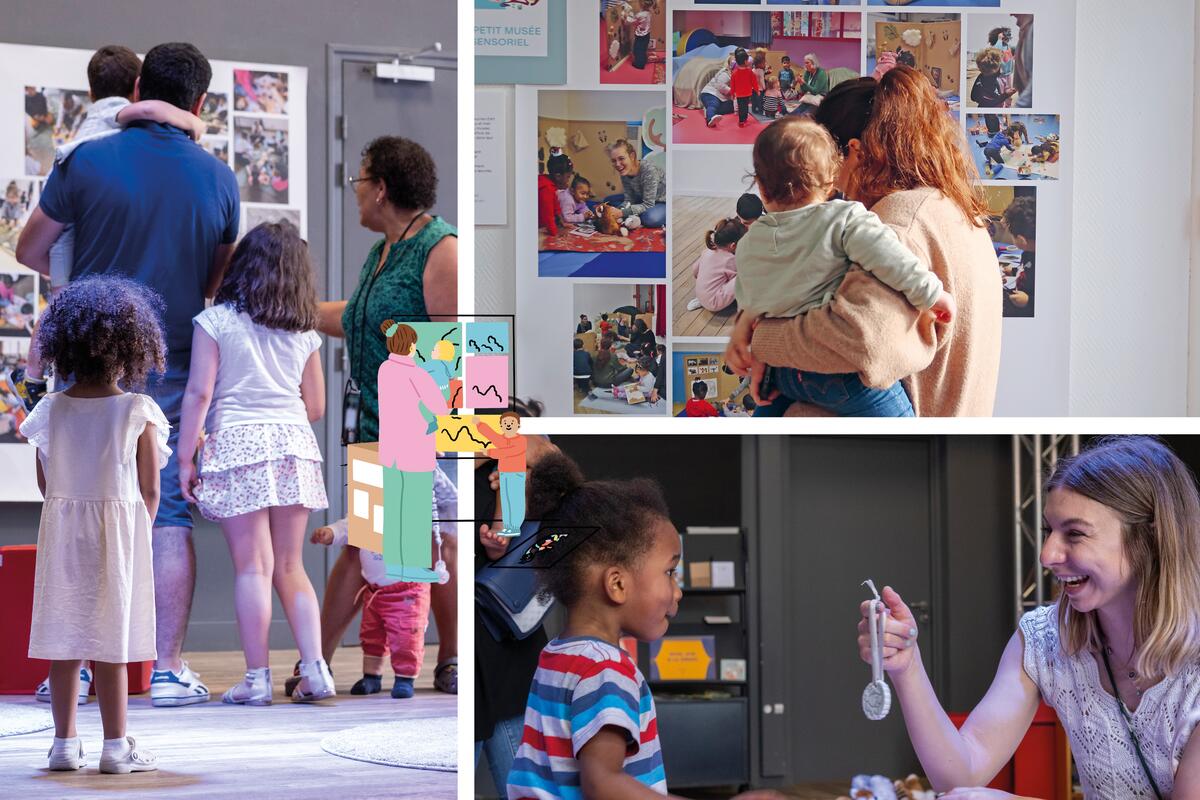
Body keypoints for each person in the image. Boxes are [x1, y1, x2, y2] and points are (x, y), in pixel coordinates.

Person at [17, 41, 240, 707]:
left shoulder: (86, 160)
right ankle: (167, 670)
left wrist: (88, 274)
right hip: (172, 359)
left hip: (87, 359)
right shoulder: (219, 178)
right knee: (166, 509)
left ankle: (78, 668)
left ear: (138, 87)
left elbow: (30, 249)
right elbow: (217, 283)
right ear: (200, 101)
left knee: (75, 502)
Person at [858, 437, 1200, 798]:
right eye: (1049, 531)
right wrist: (907, 665)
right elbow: (960, 775)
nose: (1047, 555)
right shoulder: (1044, 637)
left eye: (1075, 534)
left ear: (1150, 539)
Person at [726, 66, 1002, 417]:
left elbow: (863, 341)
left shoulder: (899, 222)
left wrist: (761, 338)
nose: (829, 188)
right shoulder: (952, 211)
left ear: (853, 152)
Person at [506, 451, 781, 800]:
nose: (677, 591)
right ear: (617, 584)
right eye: (670, 572)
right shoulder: (606, 668)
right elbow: (602, 784)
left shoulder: (558, 654)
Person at [314, 134, 458, 695]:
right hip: (374, 424)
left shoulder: (439, 249)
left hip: (418, 429)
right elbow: (358, 317)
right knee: (367, 545)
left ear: (380, 188)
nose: (354, 191)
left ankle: (450, 660)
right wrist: (290, 309)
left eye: (359, 180)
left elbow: (455, 352)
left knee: (434, 546)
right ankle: (317, 662)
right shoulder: (383, 252)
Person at [176, 222, 333, 704]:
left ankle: (257, 680)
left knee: (252, 569)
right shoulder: (305, 331)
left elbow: (199, 393)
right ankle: (316, 670)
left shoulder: (216, 321)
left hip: (237, 443)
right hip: (293, 444)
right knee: (291, 565)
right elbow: (315, 406)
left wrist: (186, 457)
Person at [21, 277, 169, 773]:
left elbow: (47, 484)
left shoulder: (50, 409)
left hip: (63, 537)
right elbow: (150, 490)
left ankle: (64, 744)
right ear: (131, 350)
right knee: (112, 641)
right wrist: (137, 532)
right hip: (118, 540)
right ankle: (115, 747)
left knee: (63, 637)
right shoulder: (137, 410)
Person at [9, 44, 208, 414]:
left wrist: (81, 274)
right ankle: (32, 376)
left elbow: (28, 252)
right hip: (160, 358)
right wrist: (194, 124)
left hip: (69, 237)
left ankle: (32, 377)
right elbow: (154, 111)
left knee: (62, 301)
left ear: (90, 90)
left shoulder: (90, 131)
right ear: (137, 88)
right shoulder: (121, 117)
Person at [735, 116, 954, 417]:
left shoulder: (748, 244)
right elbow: (890, 257)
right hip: (838, 375)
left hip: (782, 373)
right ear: (829, 183)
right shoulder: (844, 218)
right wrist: (932, 294)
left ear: (761, 187)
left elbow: (750, 302)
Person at [310, 513, 437, 699]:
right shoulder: (367, 513)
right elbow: (348, 527)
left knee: (407, 636)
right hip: (375, 590)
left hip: (408, 592)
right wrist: (331, 532)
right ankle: (372, 676)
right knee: (371, 635)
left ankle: (405, 678)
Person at [478, 412, 528, 537]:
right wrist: (480, 425)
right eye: (505, 423)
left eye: (511, 423)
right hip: (504, 473)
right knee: (507, 501)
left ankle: (512, 527)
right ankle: (508, 527)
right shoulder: (504, 439)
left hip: (516, 474)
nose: (508, 425)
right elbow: (493, 436)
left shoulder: (521, 440)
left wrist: (489, 452)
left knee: (515, 500)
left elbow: (508, 452)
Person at [687, 216, 744, 313]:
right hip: (715, 302)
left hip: (701, 294)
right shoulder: (729, 259)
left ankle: (702, 300)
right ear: (733, 245)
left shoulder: (707, 251)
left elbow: (695, 270)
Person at [606, 140, 665, 229]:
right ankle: (633, 215)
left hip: (661, 201)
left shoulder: (649, 171)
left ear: (632, 156)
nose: (617, 164)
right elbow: (629, 199)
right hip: (642, 197)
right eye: (614, 161)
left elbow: (648, 204)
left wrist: (622, 213)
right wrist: (621, 209)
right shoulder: (624, 171)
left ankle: (635, 216)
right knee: (608, 200)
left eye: (621, 158)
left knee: (650, 218)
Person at [538, 153, 574, 237]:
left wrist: (562, 222)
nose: (568, 180)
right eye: (568, 177)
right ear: (558, 176)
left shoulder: (550, 184)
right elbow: (548, 216)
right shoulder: (547, 188)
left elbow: (556, 206)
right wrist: (555, 233)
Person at [698, 55, 735, 128]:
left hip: (722, 98)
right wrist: (732, 91)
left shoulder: (737, 74)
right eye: (733, 63)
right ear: (730, 66)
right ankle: (710, 119)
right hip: (710, 93)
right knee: (713, 103)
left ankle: (709, 110)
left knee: (732, 106)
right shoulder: (725, 74)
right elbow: (720, 86)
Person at [729, 48, 759, 128]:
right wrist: (757, 90)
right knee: (745, 106)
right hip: (747, 93)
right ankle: (743, 120)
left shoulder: (734, 73)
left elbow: (732, 85)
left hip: (739, 94)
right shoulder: (750, 72)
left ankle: (742, 120)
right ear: (745, 61)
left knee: (742, 107)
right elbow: (754, 82)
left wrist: (732, 94)